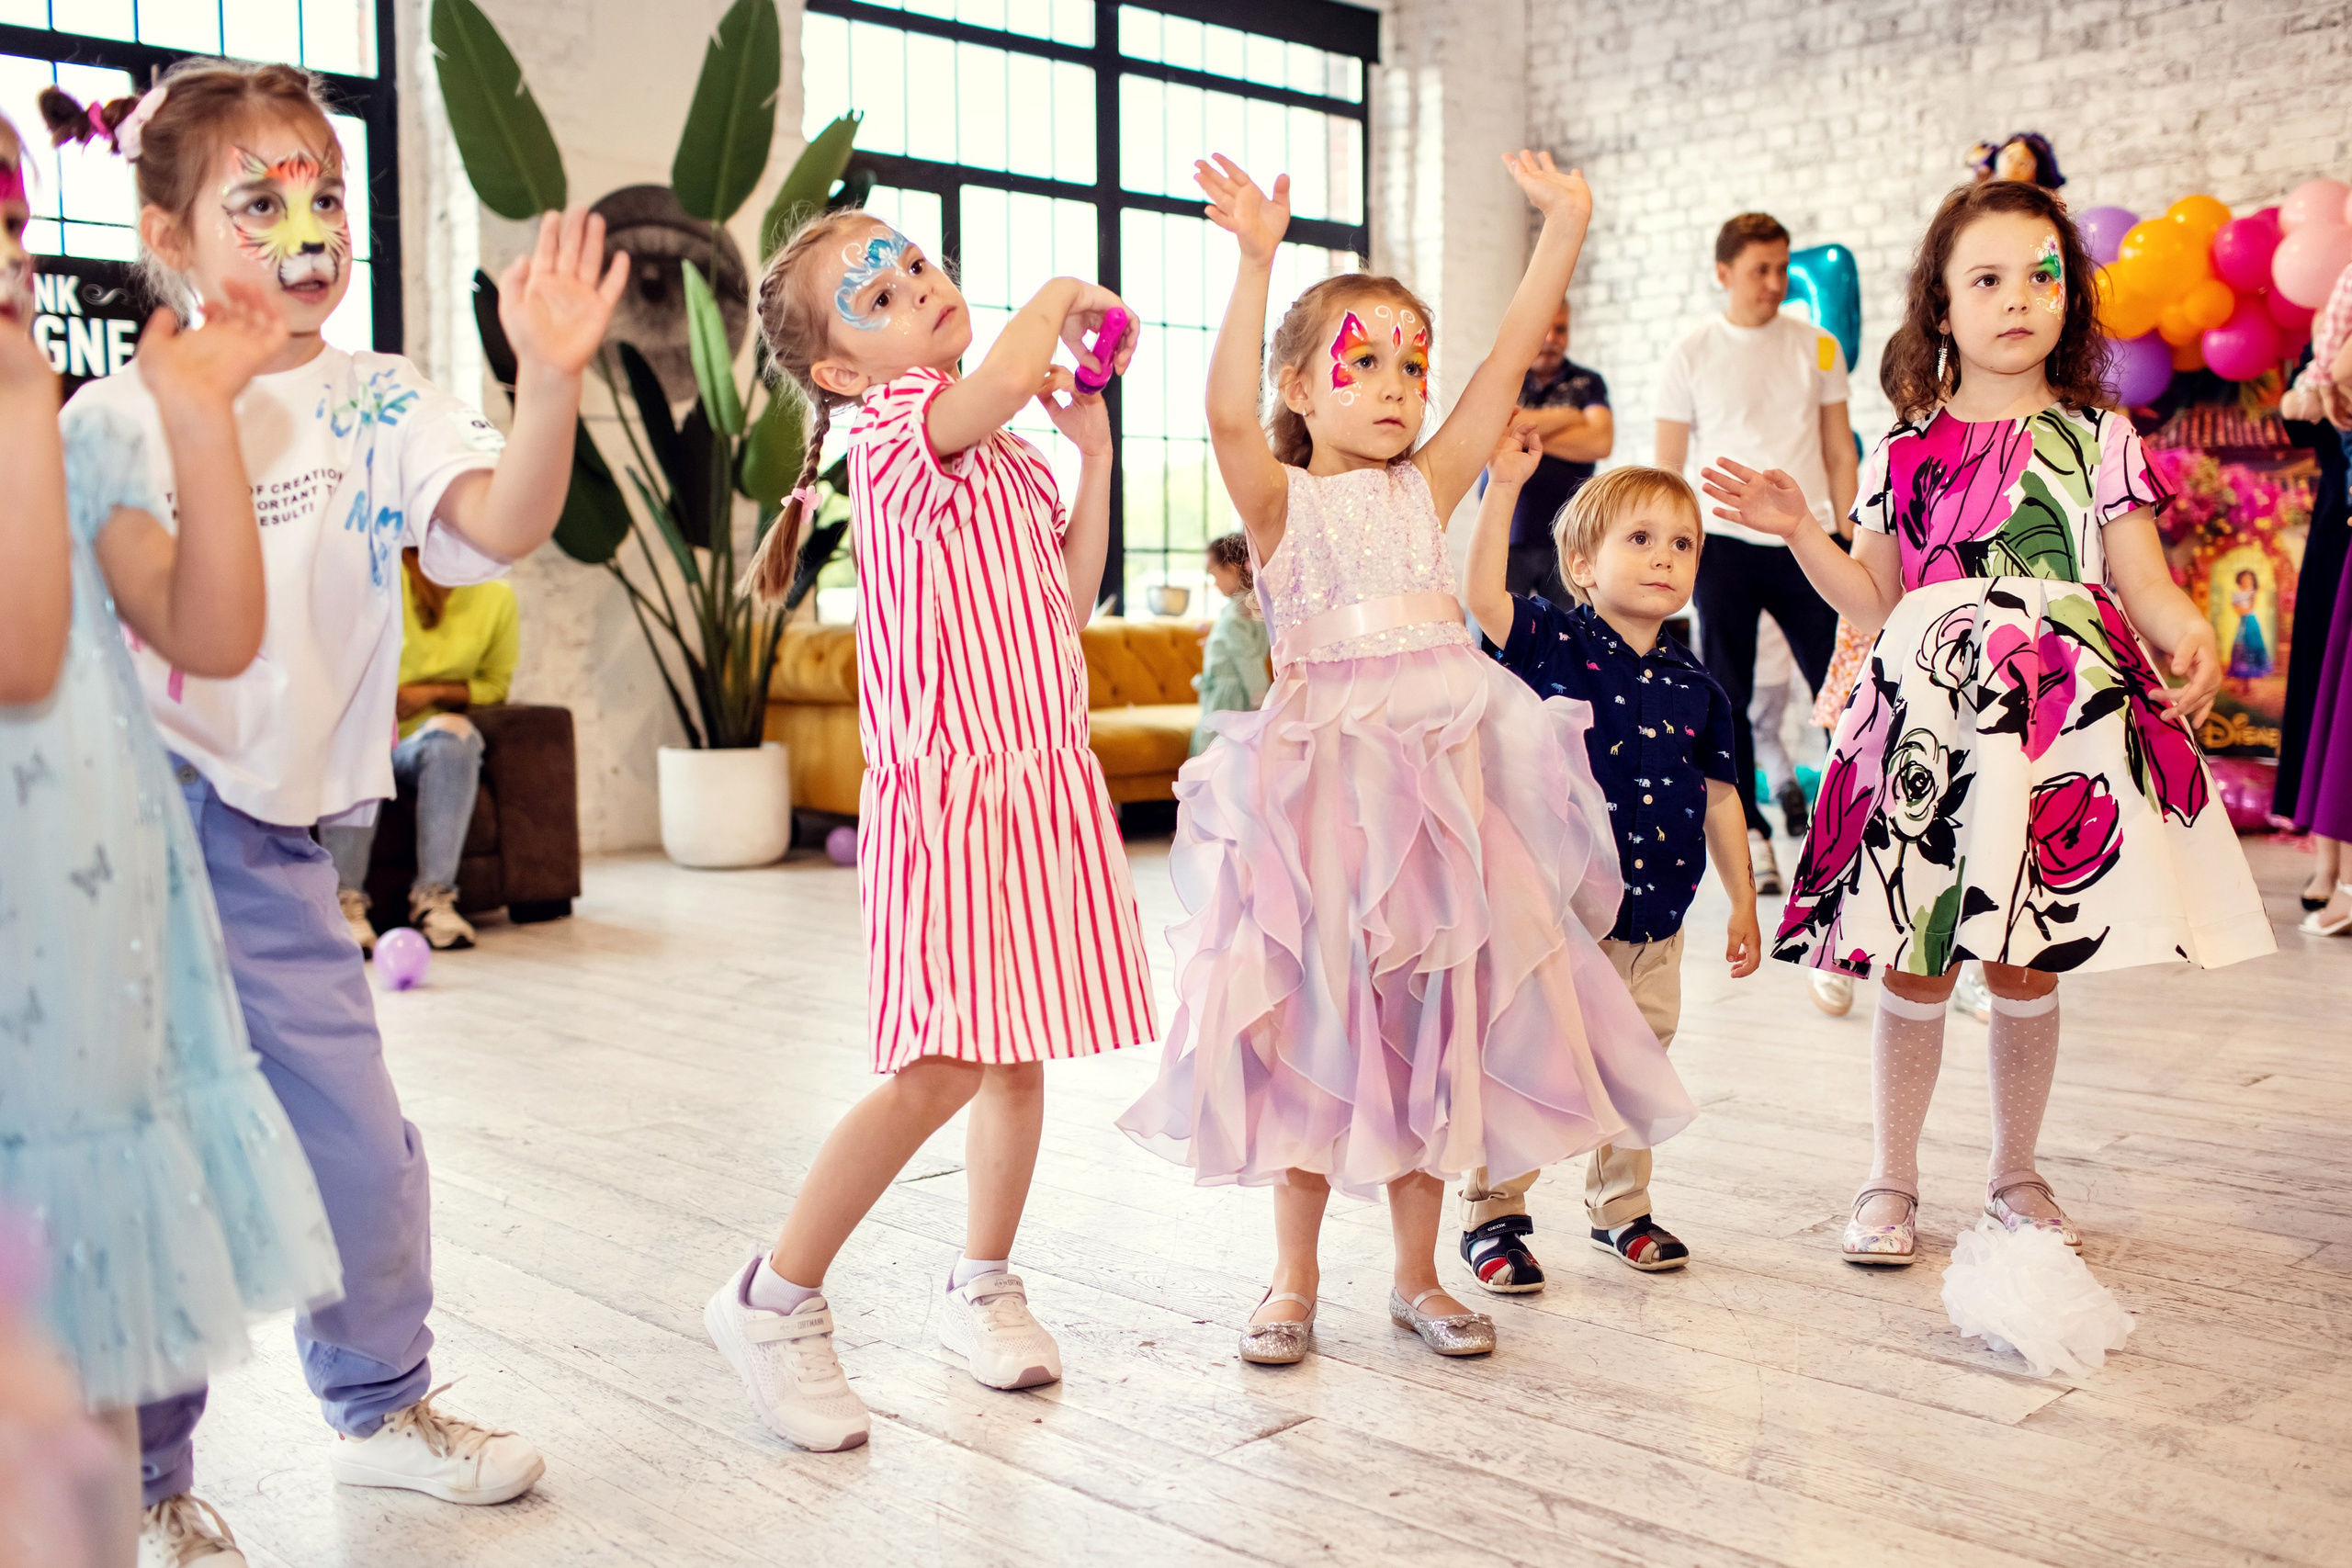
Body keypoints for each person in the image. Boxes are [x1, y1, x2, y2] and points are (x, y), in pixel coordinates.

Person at [44, 58, 628, 1551]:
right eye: (259, 200)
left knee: (360, 1142)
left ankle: (380, 1405)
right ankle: (158, 1481)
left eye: (325, 192)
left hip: (284, 843)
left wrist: (551, 377)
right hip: (134, 845)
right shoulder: (119, 411)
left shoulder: (382, 396)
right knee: (160, 1161)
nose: (306, 225)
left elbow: (498, 523)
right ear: (169, 237)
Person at [1115, 152, 1692, 1367]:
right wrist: (1257, 258)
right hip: (1329, 808)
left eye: (1410, 363)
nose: (1397, 384)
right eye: (1364, 361)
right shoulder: (1280, 502)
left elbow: (1501, 364)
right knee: (1324, 1029)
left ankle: (1421, 1274)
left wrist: (1566, 228)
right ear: (1300, 385)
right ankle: (1291, 1278)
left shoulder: (1427, 487)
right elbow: (1223, 415)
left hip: (1442, 800)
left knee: (1434, 1027)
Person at [1704, 178, 2273, 1268]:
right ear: (1942, 306)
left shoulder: (2101, 437)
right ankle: (1890, 1178)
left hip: (2056, 723)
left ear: (2069, 299)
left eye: (2042, 276)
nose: (2019, 298)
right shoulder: (1901, 452)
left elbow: (2139, 579)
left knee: (2027, 958)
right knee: (1915, 955)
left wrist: (2181, 626)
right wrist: (1796, 532)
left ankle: (2015, 1174)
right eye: (1988, 279)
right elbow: (1872, 602)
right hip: (1933, 721)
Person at [707, 212, 1155, 1454]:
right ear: (843, 373)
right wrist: (1064, 286)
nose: (919, 285)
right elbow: (1004, 372)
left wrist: (1096, 456)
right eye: (880, 293)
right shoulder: (897, 434)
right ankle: (774, 1293)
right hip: (951, 800)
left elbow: (1062, 602)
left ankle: (981, 1278)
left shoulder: (1003, 451)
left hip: (1036, 786)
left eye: (917, 265)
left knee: (1019, 1053)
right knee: (943, 1063)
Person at [0, 110, 344, 1566]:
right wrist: (23, 394)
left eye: (9, 227)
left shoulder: (68, 448)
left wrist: (200, 421)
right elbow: (20, 651)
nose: (7, 267)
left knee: (78, 1407)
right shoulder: (32, 416)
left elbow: (212, 626)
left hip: (90, 1005)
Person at [1458, 452, 1758, 1285]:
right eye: (1642, 538)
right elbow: (1483, 594)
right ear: (1583, 566)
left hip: (1658, 923)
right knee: (1532, 1059)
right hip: (1559, 920)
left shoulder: (1699, 684)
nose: (1667, 556)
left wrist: (1742, 903)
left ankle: (1620, 1207)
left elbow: (1723, 797)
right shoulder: (1552, 641)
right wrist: (1505, 490)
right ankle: (1495, 1212)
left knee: (1639, 1065)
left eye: (1685, 544)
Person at [1656, 212, 1858, 904]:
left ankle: (1853, 825)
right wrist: (1677, 546)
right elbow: (1668, 465)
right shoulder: (1690, 350)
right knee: (1727, 695)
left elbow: (1838, 450)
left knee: (1845, 686)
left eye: (1782, 267)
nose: (1775, 282)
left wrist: (1854, 535)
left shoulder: (1819, 346)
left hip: (1810, 540)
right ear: (1724, 274)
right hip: (1723, 544)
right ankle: (1756, 838)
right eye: (1759, 270)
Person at [319, 547, 520, 952]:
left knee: (456, 734)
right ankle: (343, 903)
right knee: (353, 738)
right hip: (367, 733)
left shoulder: (497, 596)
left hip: (422, 740)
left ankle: (434, 899)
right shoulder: (379, 575)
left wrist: (431, 693)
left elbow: (495, 685)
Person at [1500, 299, 1611, 604]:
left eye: (1560, 330)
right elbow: (1491, 434)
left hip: (1570, 538)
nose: (1551, 339)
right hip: (1505, 532)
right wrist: (1571, 417)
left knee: (1566, 640)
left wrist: (1521, 432)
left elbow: (1600, 442)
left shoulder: (1588, 382)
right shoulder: (1501, 377)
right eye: (1543, 330)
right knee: (1497, 642)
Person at [1192, 530, 1271, 754]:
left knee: (1216, 757)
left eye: (1214, 575)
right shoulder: (1252, 608)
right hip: (1231, 694)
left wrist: (1260, 703)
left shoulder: (1236, 616)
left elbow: (1248, 659)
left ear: (1233, 569)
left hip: (1229, 702)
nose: (1215, 584)